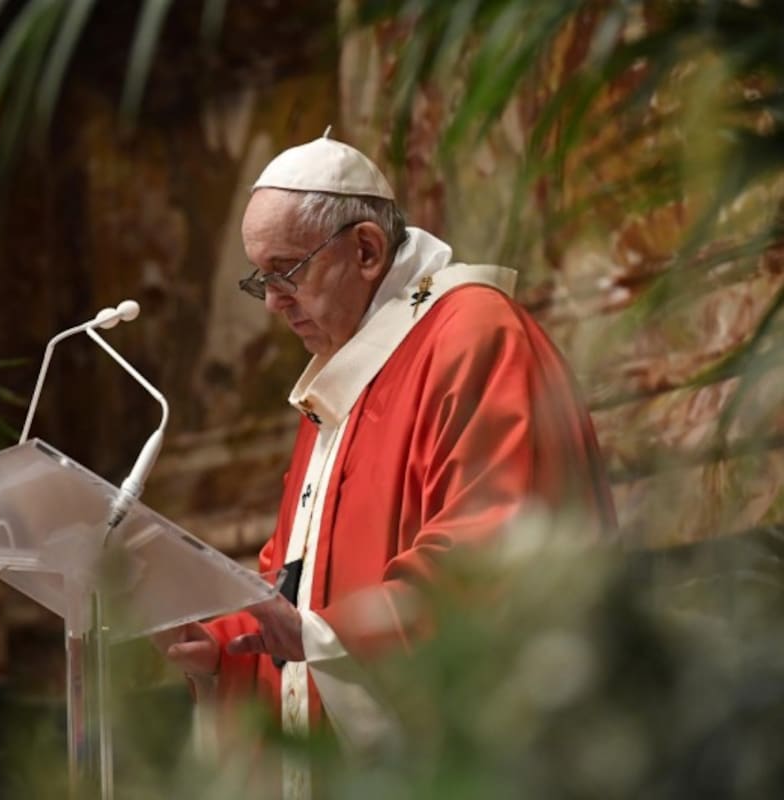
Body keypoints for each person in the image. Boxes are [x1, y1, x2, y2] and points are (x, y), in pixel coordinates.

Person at [157, 129, 616, 797]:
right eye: (262, 279)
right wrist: (222, 642)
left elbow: (492, 556)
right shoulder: (342, 382)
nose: (274, 303)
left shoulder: (472, 335)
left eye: (287, 270)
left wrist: (318, 633)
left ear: (367, 249)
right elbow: (294, 576)